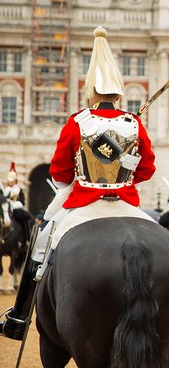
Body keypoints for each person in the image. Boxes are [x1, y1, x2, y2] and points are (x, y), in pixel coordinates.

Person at [1, 26, 156, 340]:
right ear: (117, 92)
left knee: (41, 241)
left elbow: (59, 174)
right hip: (127, 202)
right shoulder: (133, 122)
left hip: (83, 201)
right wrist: (123, 158)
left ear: (92, 91)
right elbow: (146, 171)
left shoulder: (77, 122)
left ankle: (19, 318)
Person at [2, 162, 31, 242]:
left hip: (15, 208)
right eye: (9, 181)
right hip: (6, 208)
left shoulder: (18, 189)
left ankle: (26, 238)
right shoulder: (5, 190)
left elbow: (22, 202)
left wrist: (12, 205)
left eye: (12, 181)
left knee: (25, 218)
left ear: (15, 181)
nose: (10, 182)